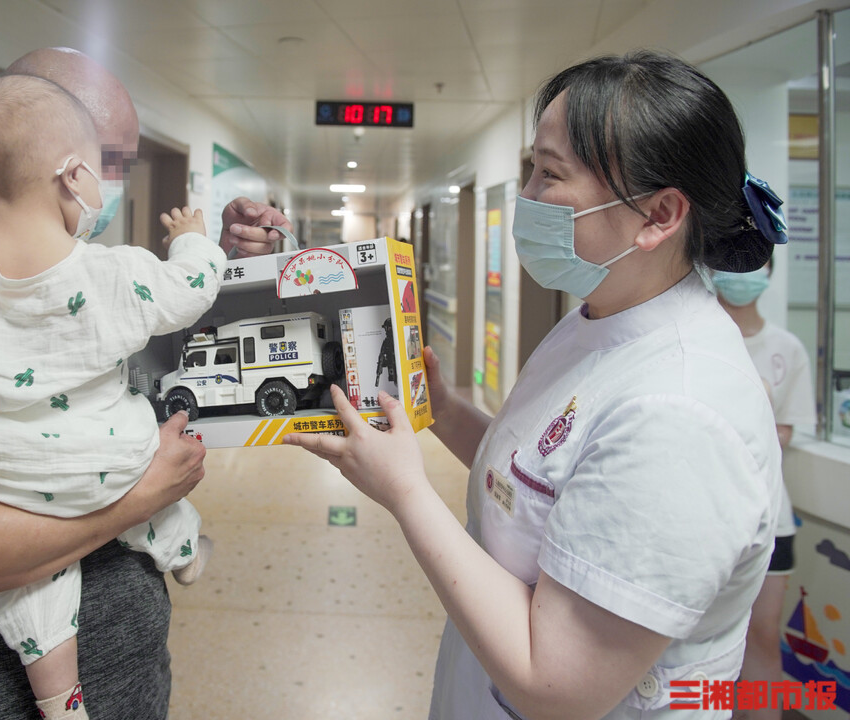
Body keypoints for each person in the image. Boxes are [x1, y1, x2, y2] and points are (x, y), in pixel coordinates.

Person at [286, 50, 785, 719]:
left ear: (660, 214)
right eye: (530, 166)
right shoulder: (601, 318)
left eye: (549, 174)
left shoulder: (682, 414)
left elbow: (557, 687)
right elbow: (542, 481)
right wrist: (444, 412)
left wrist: (405, 491)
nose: (524, 197)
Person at [0, 48, 291, 720]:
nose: (108, 183)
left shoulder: (93, 271)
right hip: (3, 699)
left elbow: (169, 362)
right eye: (106, 160)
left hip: (137, 685)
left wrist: (221, 261)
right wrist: (136, 500)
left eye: (122, 164)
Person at [712, 259, 815, 720]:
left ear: (770, 271)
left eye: (752, 263)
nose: (740, 274)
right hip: (705, 517)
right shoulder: (700, 338)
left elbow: (786, 430)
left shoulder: (785, 349)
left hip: (770, 518)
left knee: (763, 635)